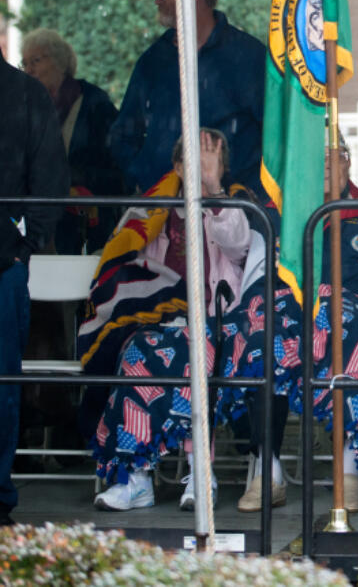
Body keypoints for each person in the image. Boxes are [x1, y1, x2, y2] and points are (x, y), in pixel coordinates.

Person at [218, 139, 358, 513]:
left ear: (348, 162)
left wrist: (349, 306)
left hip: (350, 316)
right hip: (288, 313)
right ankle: (267, 471)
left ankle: (350, 467)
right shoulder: (273, 211)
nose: (324, 164)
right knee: (260, 337)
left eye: (333, 156)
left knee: (356, 338)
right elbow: (256, 280)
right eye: (314, 157)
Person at [87, 130, 251, 511]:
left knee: (195, 357)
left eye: (213, 161)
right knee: (136, 355)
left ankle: (200, 473)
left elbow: (239, 245)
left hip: (218, 324)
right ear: (177, 166)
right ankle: (135, 476)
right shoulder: (151, 210)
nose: (204, 167)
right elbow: (123, 265)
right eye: (194, 160)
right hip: (159, 324)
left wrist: (211, 191)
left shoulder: (234, 204)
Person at [110, 0, 265, 193]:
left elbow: (277, 135)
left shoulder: (249, 57)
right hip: (163, 213)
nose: (157, 1)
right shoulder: (152, 61)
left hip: (236, 210)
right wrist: (143, 178)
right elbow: (124, 134)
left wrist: (247, 195)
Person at [0, 56, 69, 526]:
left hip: (2, 265)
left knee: (1, 386)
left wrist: (22, 246)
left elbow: (49, 178)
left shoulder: (24, 94)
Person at [21, 28, 124, 254]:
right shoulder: (30, 110)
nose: (28, 70)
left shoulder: (96, 105)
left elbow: (118, 170)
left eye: (36, 61)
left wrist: (77, 177)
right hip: (44, 228)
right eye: (24, 63)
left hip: (91, 228)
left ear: (60, 62)